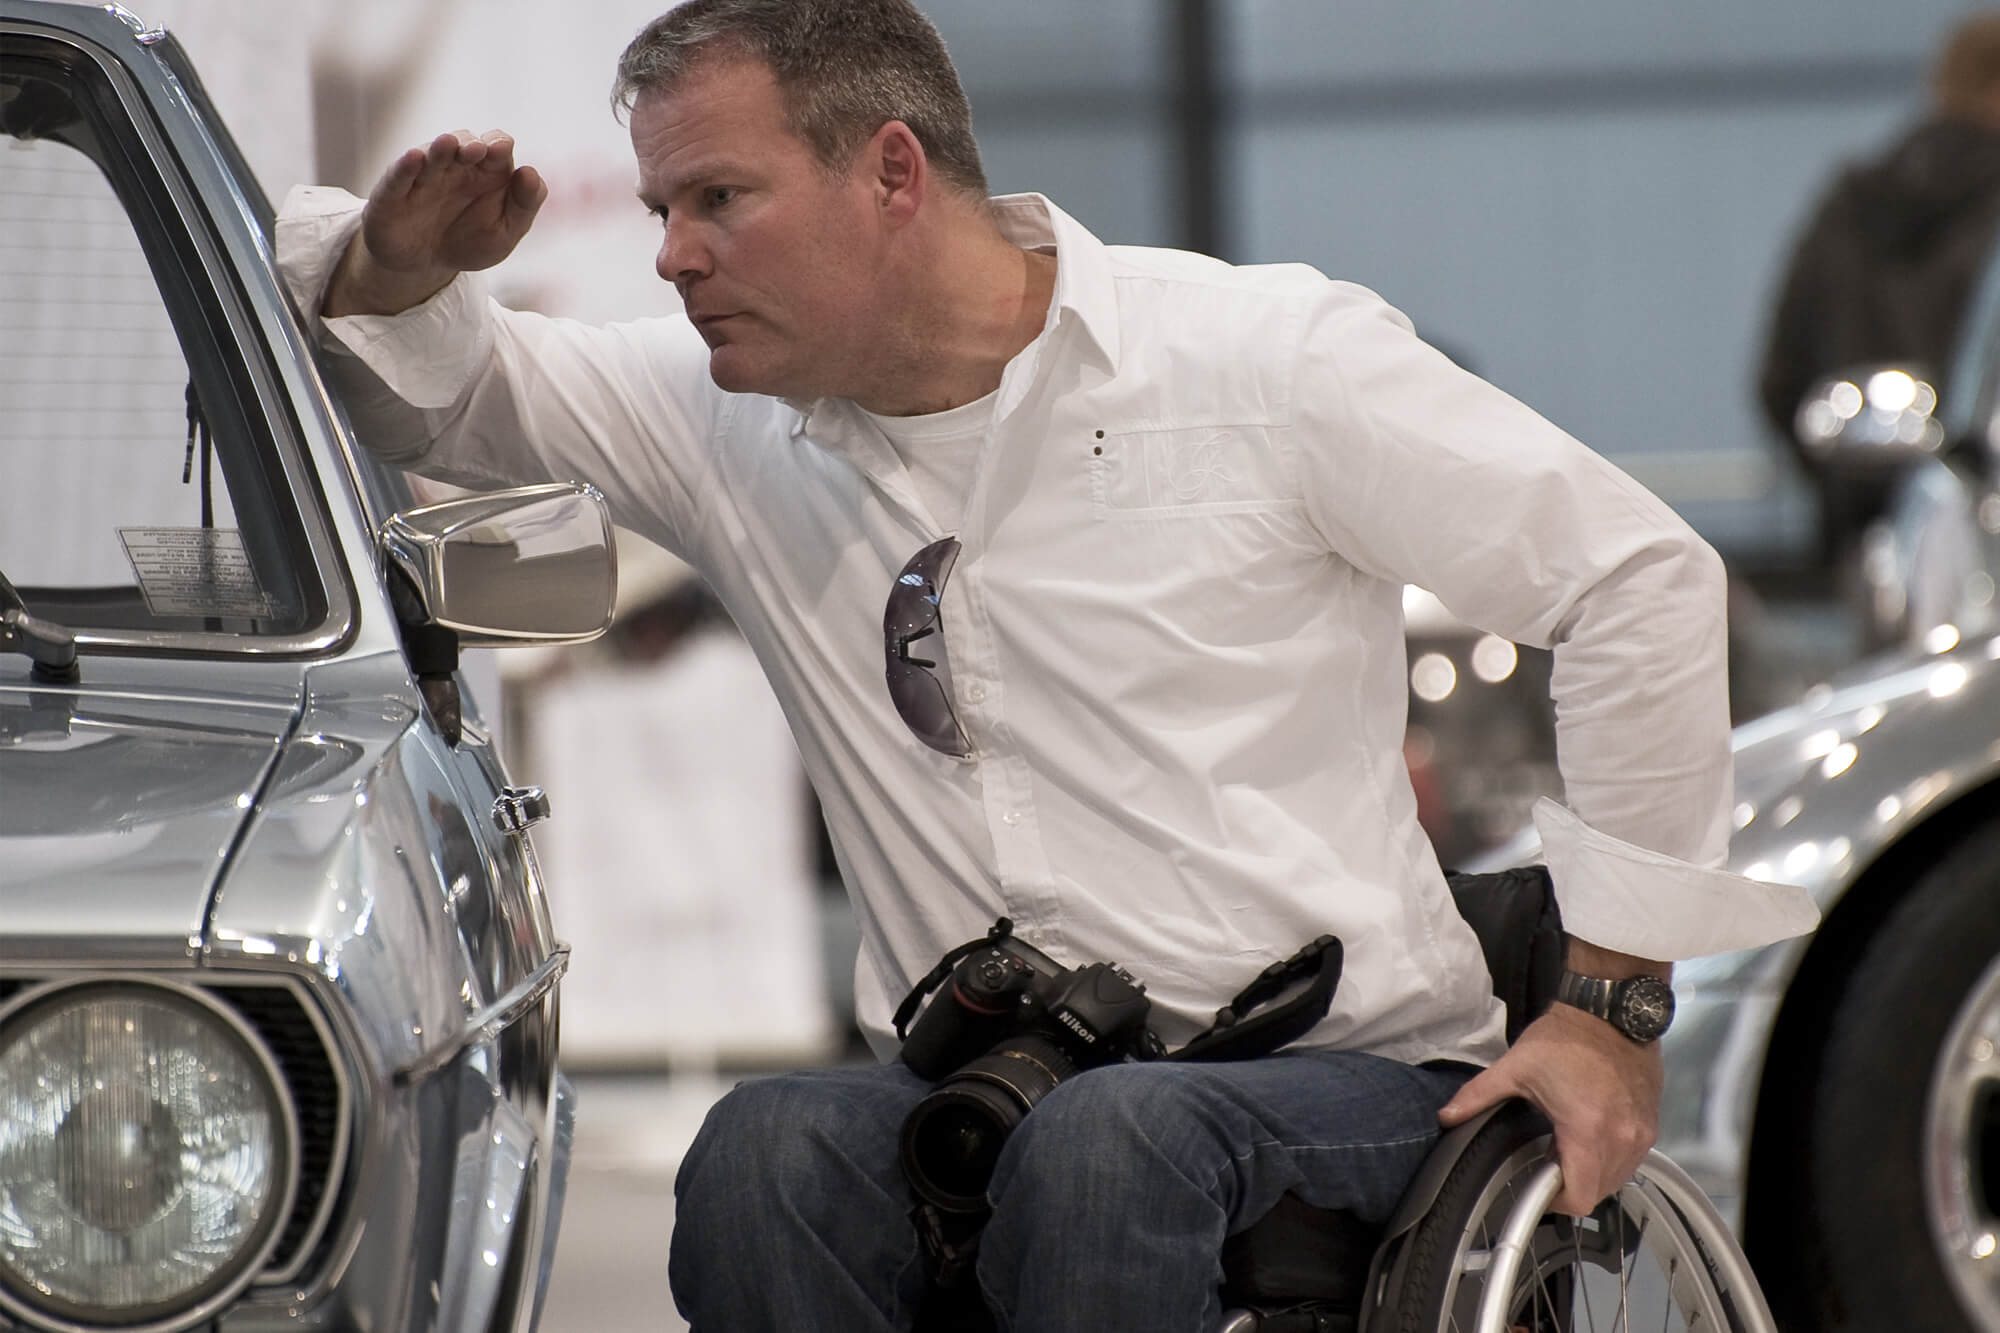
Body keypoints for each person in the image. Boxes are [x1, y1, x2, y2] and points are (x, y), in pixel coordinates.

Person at [275, 2, 1818, 1328]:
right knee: (761, 1152)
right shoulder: (722, 418)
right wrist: (391, 260)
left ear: (892, 170)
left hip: (1348, 1074)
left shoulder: (1260, 361)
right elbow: (445, 395)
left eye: (718, 200)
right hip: (986, 1082)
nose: (671, 256)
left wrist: (1610, 1010)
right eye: (663, 206)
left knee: (1112, 1148)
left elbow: (1637, 578)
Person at [1758, 10, 2000, 574]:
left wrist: (1853, 488)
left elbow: (1781, 382)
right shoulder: (1986, 215)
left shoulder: (1850, 208)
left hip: (1874, 548)